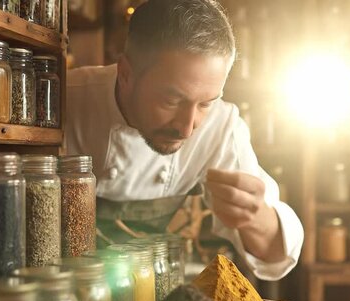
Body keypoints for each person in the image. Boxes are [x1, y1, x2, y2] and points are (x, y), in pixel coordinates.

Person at [65, 0, 303, 280]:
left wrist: (254, 216)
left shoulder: (220, 127)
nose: (188, 128)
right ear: (126, 74)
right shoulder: (63, 100)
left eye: (205, 103)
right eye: (172, 100)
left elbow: (276, 257)